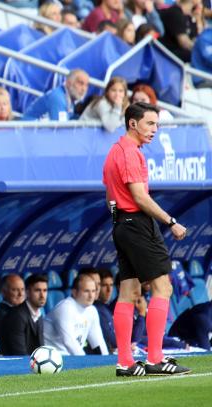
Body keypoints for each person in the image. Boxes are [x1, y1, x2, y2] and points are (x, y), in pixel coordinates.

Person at [103, 101, 191, 376]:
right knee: (163, 287)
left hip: (121, 223)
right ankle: (154, 358)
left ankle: (125, 362)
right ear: (133, 123)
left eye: (156, 124)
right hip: (137, 224)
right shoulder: (131, 153)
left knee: (129, 291)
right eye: (150, 123)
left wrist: (121, 222)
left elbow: (111, 200)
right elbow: (140, 197)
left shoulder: (114, 152)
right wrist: (171, 221)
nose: (155, 129)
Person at [43, 274, 109, 356]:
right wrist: (84, 364)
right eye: (86, 291)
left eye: (93, 291)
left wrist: (107, 362)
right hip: (51, 357)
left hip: (71, 357)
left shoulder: (92, 310)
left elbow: (98, 342)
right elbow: (69, 342)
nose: (91, 295)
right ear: (74, 292)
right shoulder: (65, 308)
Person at [0, 274, 48, 356]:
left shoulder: (38, 314)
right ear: (27, 293)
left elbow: (40, 348)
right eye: (37, 290)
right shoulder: (17, 316)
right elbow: (19, 353)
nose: (42, 296)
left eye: (45, 290)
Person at [23, 69, 89, 121]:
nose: (84, 89)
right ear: (69, 83)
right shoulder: (58, 98)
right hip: (27, 132)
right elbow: (61, 130)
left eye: (86, 85)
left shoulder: (70, 98)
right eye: (80, 83)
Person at [0, 273, 25, 353]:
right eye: (15, 290)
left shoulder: (21, 312)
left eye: (22, 289)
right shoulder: (0, 316)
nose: (20, 294)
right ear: (3, 292)